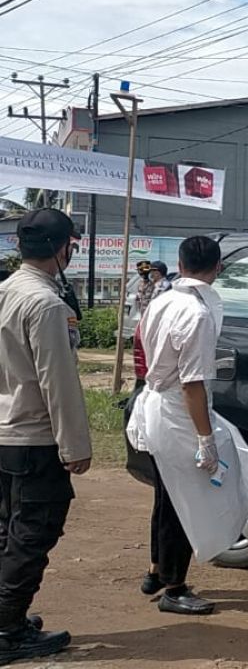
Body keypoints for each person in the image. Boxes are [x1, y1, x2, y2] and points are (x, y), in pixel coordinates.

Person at [127, 236, 248, 616]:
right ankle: (175, 586)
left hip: (154, 405)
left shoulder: (162, 299)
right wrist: (205, 439)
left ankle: (157, 570)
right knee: (187, 501)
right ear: (217, 268)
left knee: (167, 496)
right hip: (176, 413)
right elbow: (192, 384)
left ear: (180, 265)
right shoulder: (197, 313)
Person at [0, 209, 91, 664]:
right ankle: (8, 629)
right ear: (63, 249)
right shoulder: (46, 304)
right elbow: (58, 380)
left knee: (7, 530)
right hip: (35, 436)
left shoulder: (5, 292)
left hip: (5, 431)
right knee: (32, 534)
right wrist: (75, 447)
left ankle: (7, 615)